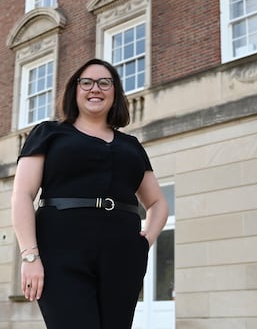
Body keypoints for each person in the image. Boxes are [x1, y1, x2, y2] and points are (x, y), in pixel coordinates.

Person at [11, 58, 169, 329]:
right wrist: (30, 256)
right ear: (75, 89)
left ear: (115, 92)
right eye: (86, 82)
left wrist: (145, 242)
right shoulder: (49, 134)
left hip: (122, 255)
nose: (95, 88)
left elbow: (157, 202)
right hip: (60, 252)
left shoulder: (131, 146)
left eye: (104, 83)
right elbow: (22, 195)